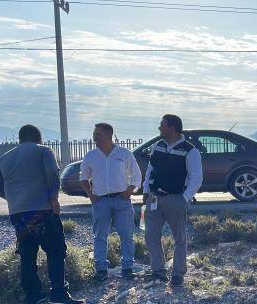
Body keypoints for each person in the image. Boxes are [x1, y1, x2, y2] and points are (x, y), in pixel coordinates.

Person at [0, 125, 83, 304]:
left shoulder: (5, 157)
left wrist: (13, 199)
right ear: (39, 139)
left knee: (27, 253)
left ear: (20, 139)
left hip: (18, 214)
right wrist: (54, 198)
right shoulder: (44, 151)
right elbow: (51, 173)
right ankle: (58, 294)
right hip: (42, 210)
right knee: (56, 250)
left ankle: (32, 295)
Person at [142, 114, 202, 287]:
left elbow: (196, 177)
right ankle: (158, 271)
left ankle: (177, 274)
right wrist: (146, 191)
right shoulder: (158, 146)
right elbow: (150, 170)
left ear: (172, 127)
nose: (159, 128)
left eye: (162, 125)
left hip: (176, 198)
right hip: (154, 198)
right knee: (151, 235)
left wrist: (184, 198)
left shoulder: (190, 150)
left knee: (179, 238)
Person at [80, 123, 143, 281]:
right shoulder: (91, 156)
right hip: (101, 201)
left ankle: (127, 267)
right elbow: (83, 178)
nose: (95, 137)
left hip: (122, 201)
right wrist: (91, 196)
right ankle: (101, 269)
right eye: (94, 134)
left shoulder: (124, 153)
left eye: (98, 134)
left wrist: (129, 191)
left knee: (127, 235)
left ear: (109, 136)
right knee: (100, 236)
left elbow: (136, 175)